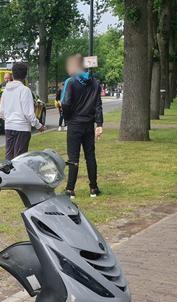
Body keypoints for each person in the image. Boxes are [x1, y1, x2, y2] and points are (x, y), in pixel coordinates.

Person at [61, 54, 103, 198]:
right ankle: (93, 187)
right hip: (88, 124)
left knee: (73, 157)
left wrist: (67, 118)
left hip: (75, 123)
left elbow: (65, 103)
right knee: (90, 155)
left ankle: (70, 189)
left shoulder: (71, 82)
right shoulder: (96, 83)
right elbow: (98, 105)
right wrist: (99, 124)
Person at [0, 63, 46, 161]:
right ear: (25, 75)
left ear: (13, 74)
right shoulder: (25, 90)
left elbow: (2, 112)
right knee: (19, 158)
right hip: (22, 128)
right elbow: (28, 113)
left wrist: (10, 119)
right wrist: (39, 126)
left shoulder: (5, 91)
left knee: (9, 157)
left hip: (8, 126)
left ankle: (8, 175)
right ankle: (17, 176)